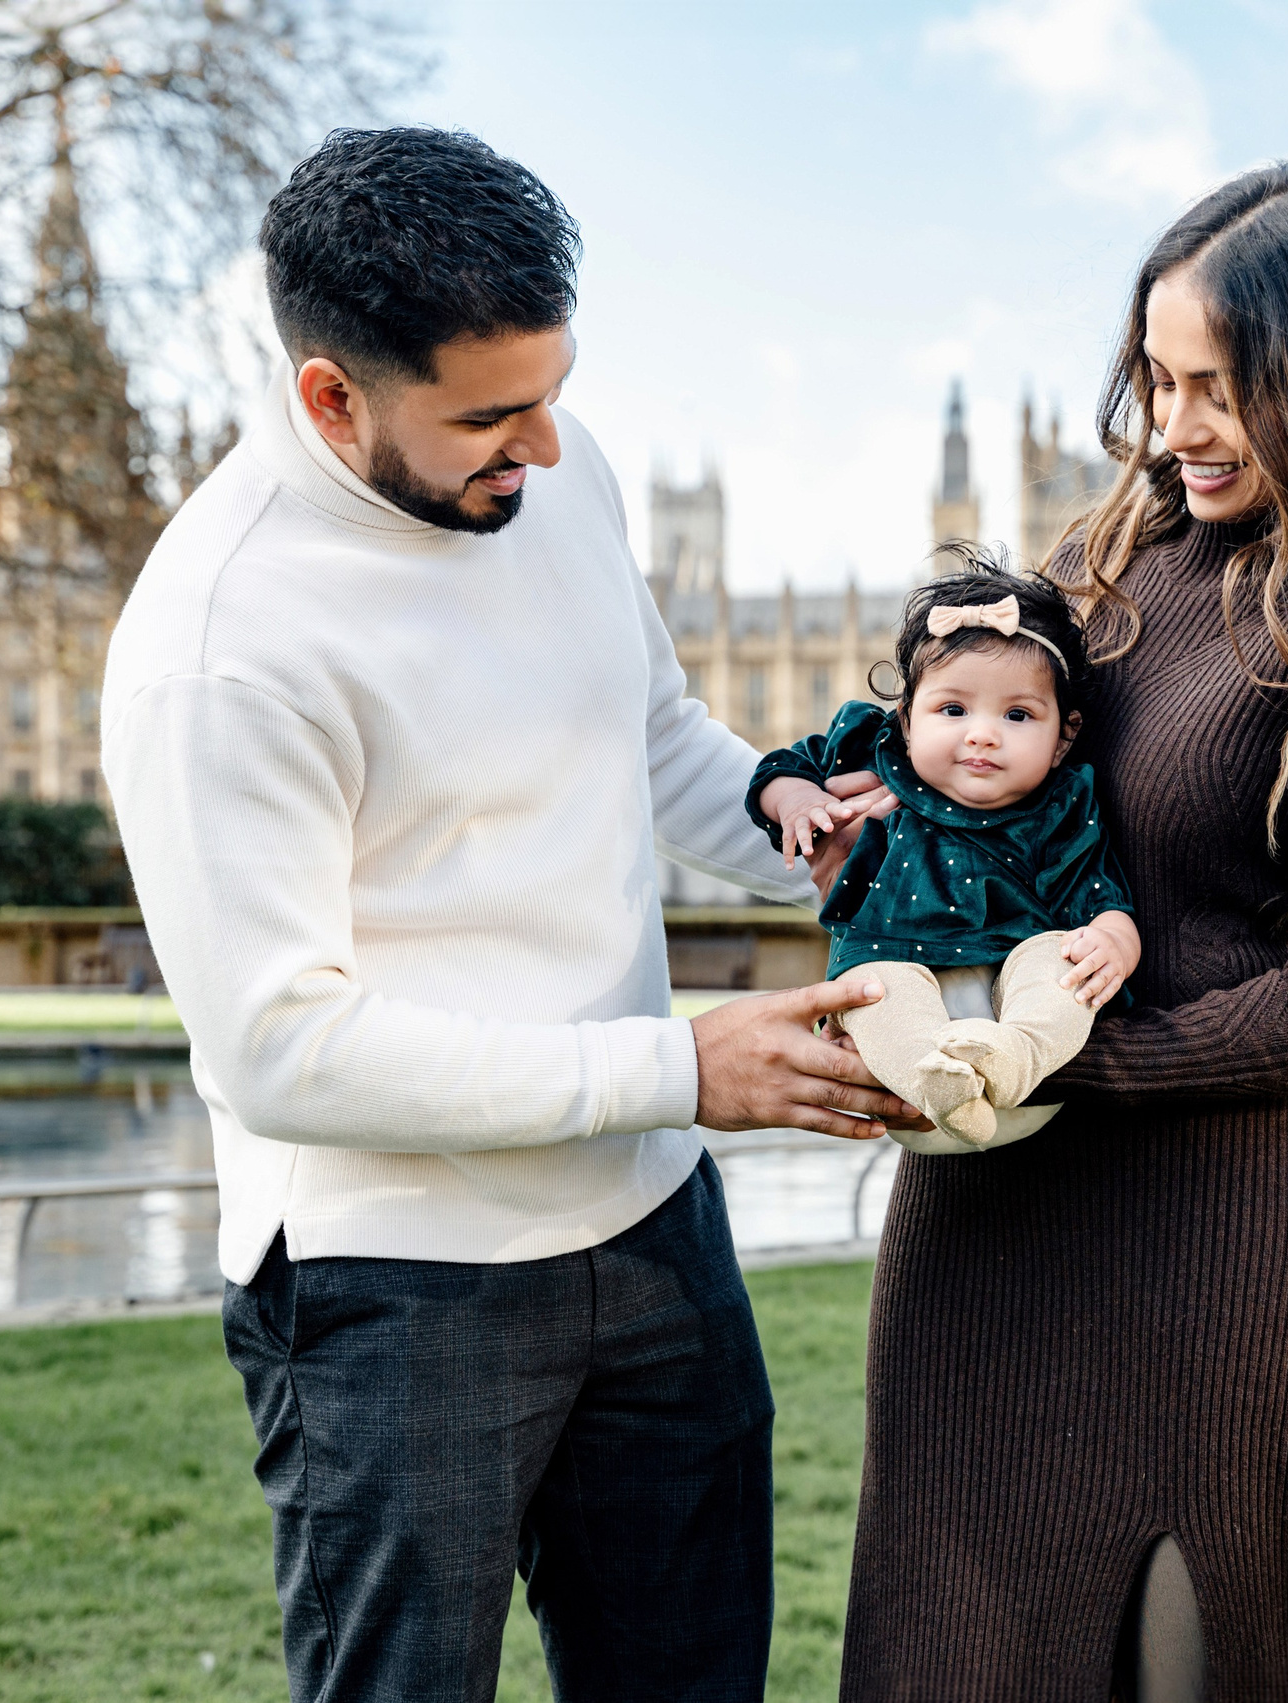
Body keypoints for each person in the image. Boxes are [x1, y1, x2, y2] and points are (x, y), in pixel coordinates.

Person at [101, 127, 915, 1703]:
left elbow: (653, 728)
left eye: (557, 391)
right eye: (491, 414)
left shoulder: (556, 466)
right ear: (334, 394)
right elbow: (281, 1047)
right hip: (394, 1285)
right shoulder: (222, 643)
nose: (545, 448)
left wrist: (803, 826)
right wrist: (679, 1070)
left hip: (653, 1231)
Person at [838, 165, 1288, 1701]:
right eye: (1157, 379)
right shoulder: (1109, 571)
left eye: (1223, 387)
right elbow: (984, 788)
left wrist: (1039, 1061)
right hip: (984, 1245)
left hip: (1203, 1261)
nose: (1173, 424)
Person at [749, 553, 1140, 1148]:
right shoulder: (871, 753)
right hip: (896, 975)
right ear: (905, 721)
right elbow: (777, 769)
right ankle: (939, 1082)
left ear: (1064, 739)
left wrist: (1114, 940)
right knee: (875, 991)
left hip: (1016, 1011)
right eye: (953, 710)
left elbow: (1100, 898)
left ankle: (1011, 1056)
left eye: (1016, 714)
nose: (981, 733)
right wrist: (798, 799)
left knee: (1062, 965)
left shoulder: (1059, 809)